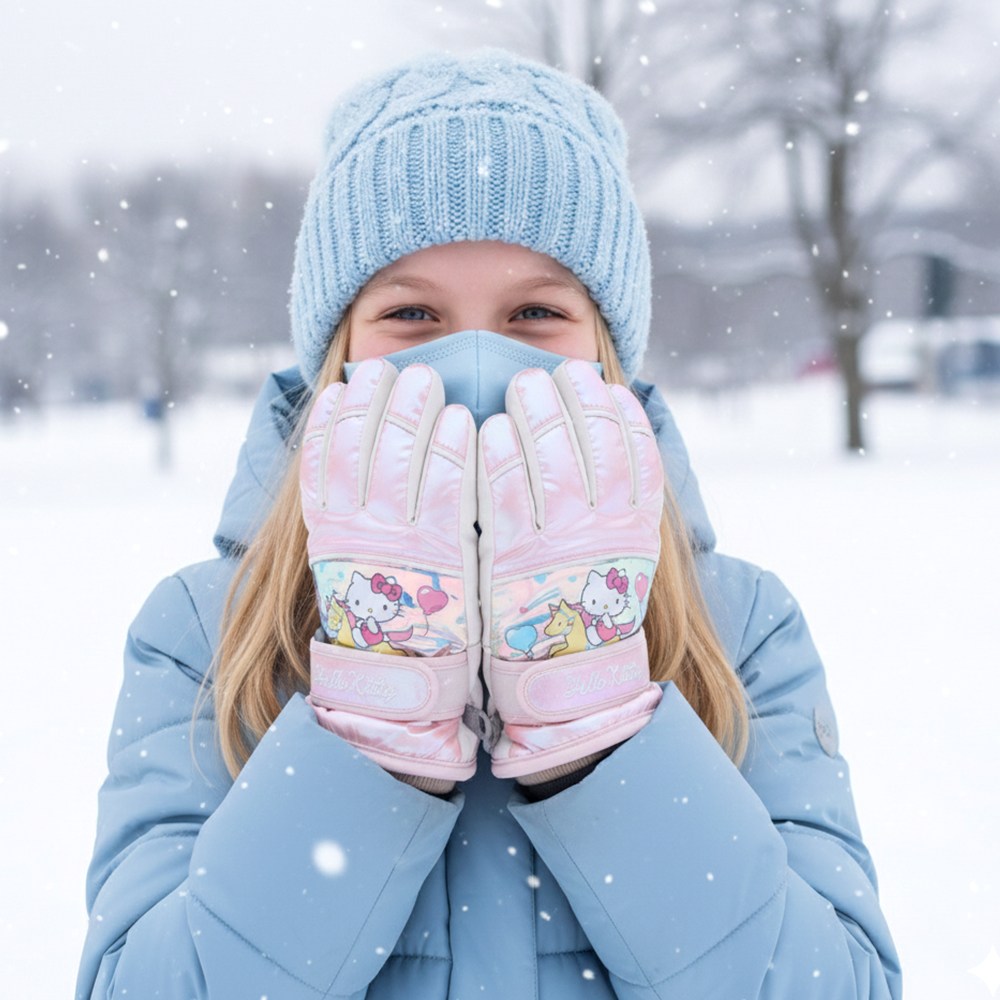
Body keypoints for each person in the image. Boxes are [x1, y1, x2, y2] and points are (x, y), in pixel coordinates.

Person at [75, 49, 901, 999]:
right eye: (413, 313)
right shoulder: (201, 636)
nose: (475, 356)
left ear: (606, 354)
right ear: (336, 354)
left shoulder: (739, 627)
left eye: (535, 313)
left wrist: (592, 710)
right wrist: (376, 703)